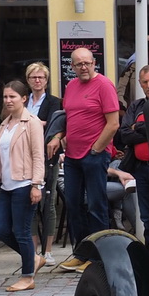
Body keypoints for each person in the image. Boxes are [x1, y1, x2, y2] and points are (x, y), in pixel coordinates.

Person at [56, 47, 120, 270]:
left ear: (94, 63)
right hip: (72, 156)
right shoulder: (71, 86)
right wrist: (62, 137)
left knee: (95, 205)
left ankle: (99, 257)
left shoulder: (104, 85)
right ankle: (81, 253)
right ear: (71, 67)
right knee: (73, 204)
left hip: (94, 154)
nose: (83, 67)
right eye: (78, 64)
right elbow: (69, 117)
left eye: (87, 63)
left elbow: (113, 123)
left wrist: (97, 148)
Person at [0, 81, 47, 290]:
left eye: (13, 97)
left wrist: (36, 184)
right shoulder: (5, 123)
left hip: (25, 183)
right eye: (5, 97)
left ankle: (28, 276)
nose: (8, 101)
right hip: (6, 185)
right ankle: (33, 258)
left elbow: (38, 156)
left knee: (21, 231)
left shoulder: (32, 123)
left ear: (24, 98)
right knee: (1, 229)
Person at [115, 64, 149, 240]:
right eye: (145, 82)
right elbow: (125, 135)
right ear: (140, 83)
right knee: (147, 218)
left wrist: (137, 126)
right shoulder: (135, 106)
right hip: (141, 169)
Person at [23, 63, 64, 266]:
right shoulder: (23, 100)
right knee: (30, 201)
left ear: (46, 81)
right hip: (26, 155)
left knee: (49, 201)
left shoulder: (54, 101)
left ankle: (48, 250)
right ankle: (33, 250)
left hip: (49, 154)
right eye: (33, 77)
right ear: (28, 80)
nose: (37, 81)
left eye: (41, 77)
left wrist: (32, 122)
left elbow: (55, 122)